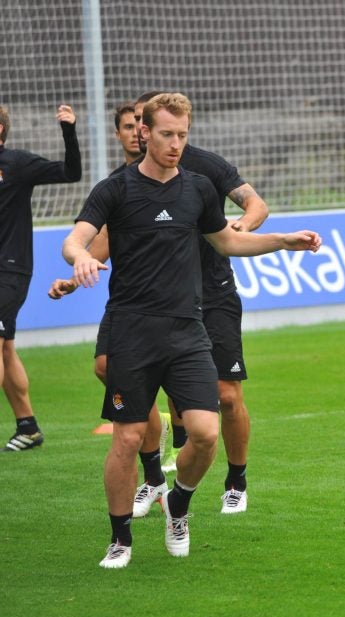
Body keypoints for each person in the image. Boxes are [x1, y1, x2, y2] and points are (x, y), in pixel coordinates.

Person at [63, 93, 320, 569]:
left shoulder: (199, 188)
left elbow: (228, 240)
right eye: (166, 134)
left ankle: (177, 505)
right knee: (126, 437)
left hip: (188, 331)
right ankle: (120, 540)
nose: (176, 144)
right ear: (145, 133)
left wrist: (282, 241)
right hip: (133, 331)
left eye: (182, 135)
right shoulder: (114, 189)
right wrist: (79, 256)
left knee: (204, 433)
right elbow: (76, 238)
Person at [52, 91, 271, 517]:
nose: (143, 134)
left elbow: (254, 204)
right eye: (135, 125)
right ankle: (154, 477)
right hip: (145, 304)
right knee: (107, 369)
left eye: (179, 133)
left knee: (226, 396)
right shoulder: (123, 184)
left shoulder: (204, 169)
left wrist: (242, 229)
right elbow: (101, 244)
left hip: (211, 293)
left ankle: (235, 480)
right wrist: (76, 273)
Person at [0, 103, 82, 451]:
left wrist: (68, 131)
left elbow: (71, 172)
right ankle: (28, 427)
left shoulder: (16, 164)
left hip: (9, 268)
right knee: (6, 349)